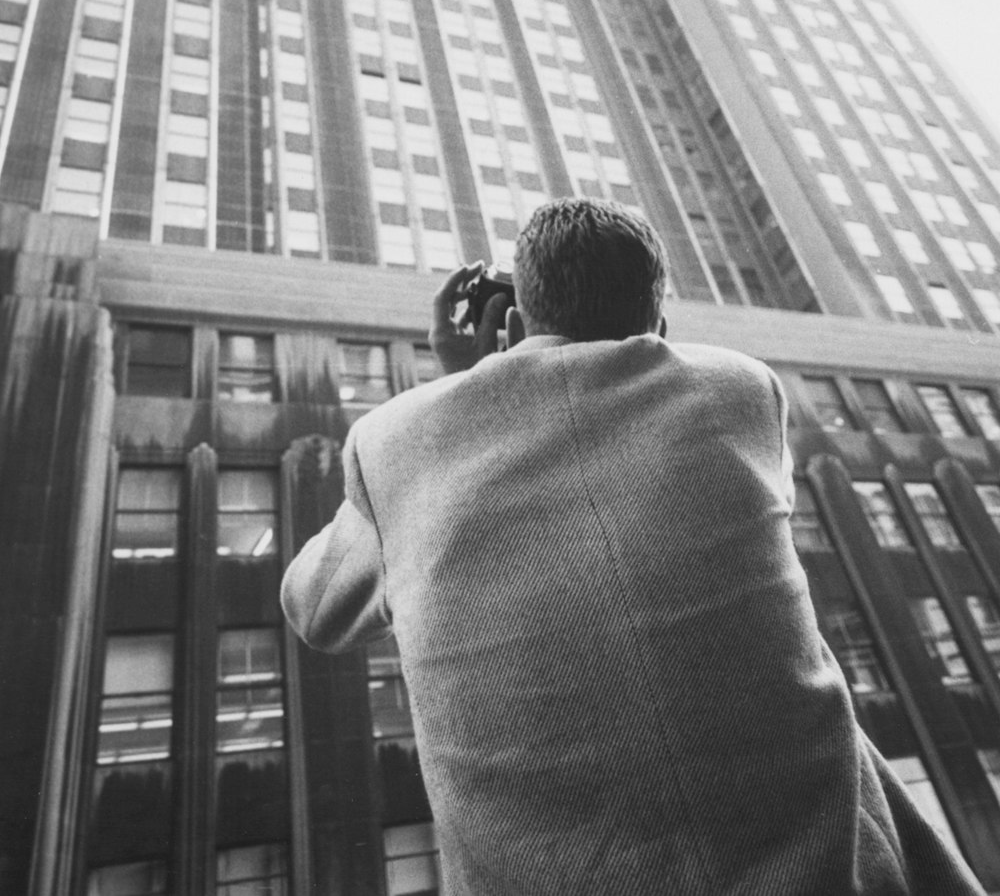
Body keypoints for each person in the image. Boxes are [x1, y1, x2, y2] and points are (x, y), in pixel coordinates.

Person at [281, 197, 984, 894]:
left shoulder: (391, 444)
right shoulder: (739, 391)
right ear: (661, 327)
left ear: (520, 321)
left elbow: (313, 608)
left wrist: (465, 383)